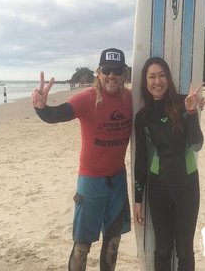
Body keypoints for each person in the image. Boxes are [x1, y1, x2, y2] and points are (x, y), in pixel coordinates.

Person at [31, 48, 132, 271]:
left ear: (125, 73)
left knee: (113, 241)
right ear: (98, 72)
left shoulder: (130, 99)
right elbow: (56, 115)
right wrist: (41, 107)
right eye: (107, 70)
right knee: (82, 246)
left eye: (117, 70)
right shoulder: (87, 99)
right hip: (91, 181)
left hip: (117, 180)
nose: (112, 76)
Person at [134, 57, 204, 271]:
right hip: (158, 189)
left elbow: (197, 144)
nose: (157, 81)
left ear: (168, 78)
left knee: (184, 250)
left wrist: (192, 113)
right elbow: (142, 159)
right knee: (162, 249)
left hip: (187, 186)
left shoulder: (184, 103)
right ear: (145, 81)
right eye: (152, 76)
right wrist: (138, 198)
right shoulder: (143, 117)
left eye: (162, 75)